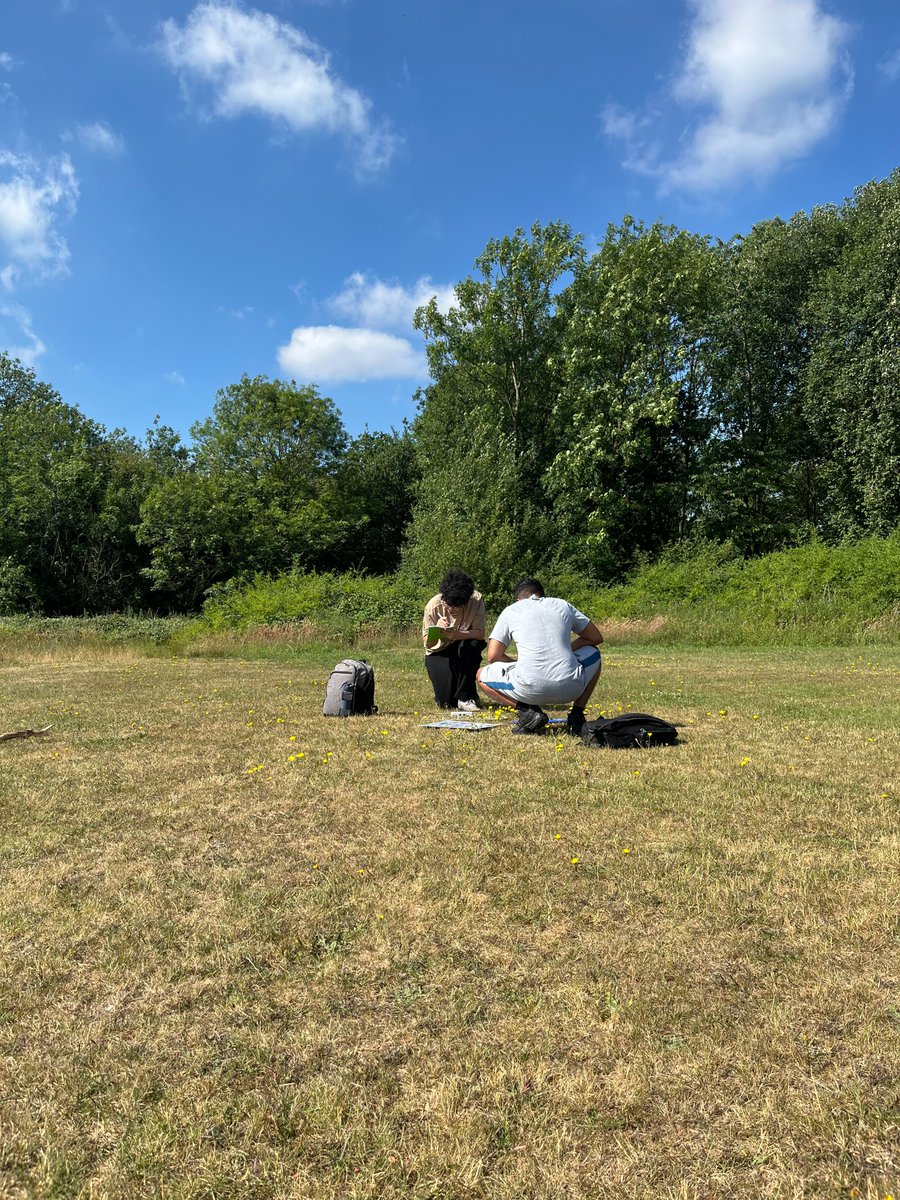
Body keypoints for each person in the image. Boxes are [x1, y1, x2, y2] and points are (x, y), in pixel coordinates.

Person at [477, 577, 603, 735]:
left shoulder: (511, 610)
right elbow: (595, 638)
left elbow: (493, 656)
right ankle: (577, 713)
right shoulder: (562, 604)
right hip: (571, 687)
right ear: (541, 595)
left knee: (481, 675)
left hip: (529, 688)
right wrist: (569, 649)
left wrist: (518, 664)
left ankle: (528, 712)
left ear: (518, 599)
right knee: (594, 652)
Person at [422, 570, 487, 710]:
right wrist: (436, 630)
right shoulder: (433, 606)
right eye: (448, 604)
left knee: (472, 646)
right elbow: (428, 643)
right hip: (438, 650)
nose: (452, 609)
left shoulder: (476, 600)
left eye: (457, 606)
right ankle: (454, 695)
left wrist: (456, 635)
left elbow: (479, 634)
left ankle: (466, 697)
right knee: (446, 703)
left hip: (463, 644)